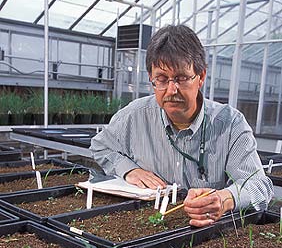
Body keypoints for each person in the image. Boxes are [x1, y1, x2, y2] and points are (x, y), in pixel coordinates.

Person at [90, 24, 273, 227]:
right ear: (151, 78)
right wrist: (129, 170)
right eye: (161, 79)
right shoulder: (135, 115)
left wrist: (224, 199)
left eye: (182, 78)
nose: (171, 90)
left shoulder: (230, 124)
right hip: (150, 228)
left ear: (200, 77)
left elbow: (259, 185)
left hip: (205, 233)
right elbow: (100, 146)